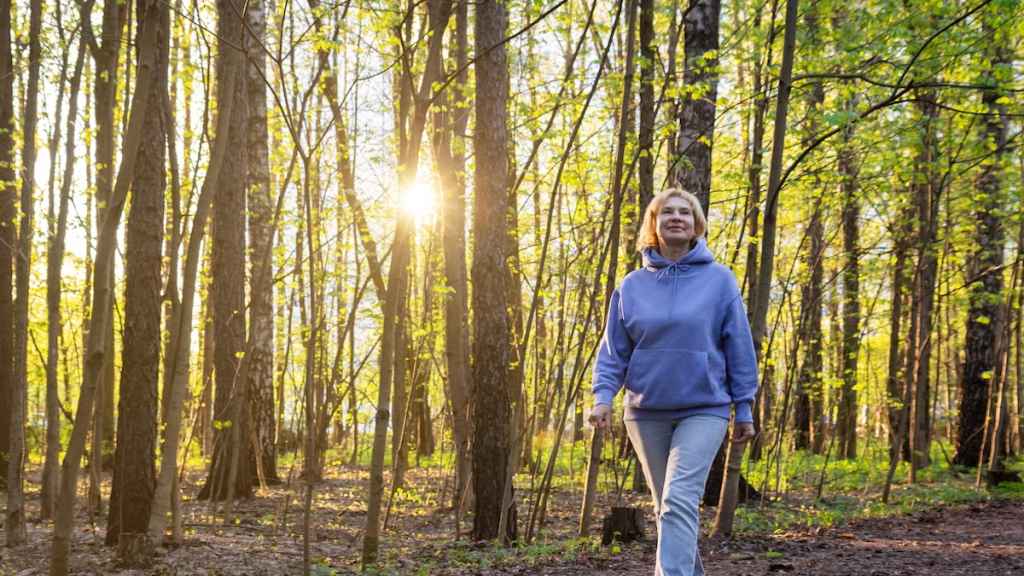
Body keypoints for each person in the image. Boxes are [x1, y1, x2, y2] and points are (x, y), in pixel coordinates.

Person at [589, 188, 758, 576]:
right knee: (668, 506)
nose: (676, 217)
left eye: (685, 212)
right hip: (645, 412)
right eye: (667, 212)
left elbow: (739, 348)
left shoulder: (720, 281)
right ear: (654, 224)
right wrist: (603, 398)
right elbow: (615, 351)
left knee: (679, 498)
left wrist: (744, 407)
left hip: (705, 408)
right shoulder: (631, 286)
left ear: (697, 224)